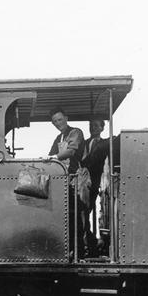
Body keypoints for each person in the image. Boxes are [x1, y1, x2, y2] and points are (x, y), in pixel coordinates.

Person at [47, 108, 85, 257]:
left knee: (76, 216)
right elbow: (51, 155)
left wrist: (54, 157)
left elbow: (70, 151)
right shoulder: (58, 138)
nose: (58, 123)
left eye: (60, 120)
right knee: (66, 217)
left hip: (75, 180)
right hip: (63, 181)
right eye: (55, 121)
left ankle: (79, 253)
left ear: (66, 118)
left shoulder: (75, 132)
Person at [78, 120, 107, 256]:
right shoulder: (84, 143)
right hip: (82, 181)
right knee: (83, 213)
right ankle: (90, 244)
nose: (93, 128)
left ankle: (90, 244)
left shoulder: (105, 144)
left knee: (85, 212)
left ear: (102, 128)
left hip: (94, 183)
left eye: (96, 125)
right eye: (91, 126)